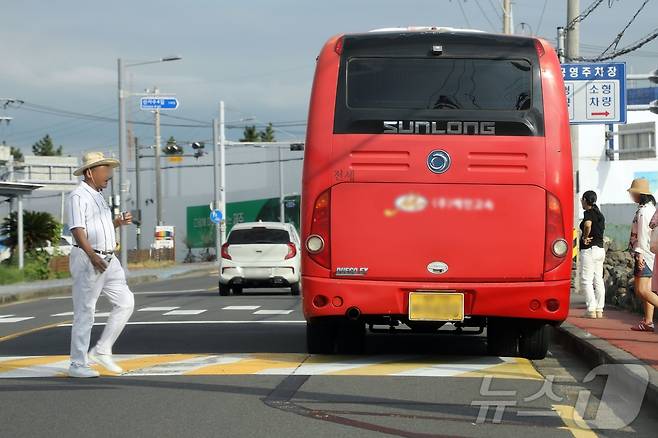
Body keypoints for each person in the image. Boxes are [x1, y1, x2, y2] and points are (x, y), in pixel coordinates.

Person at [67, 152, 134, 378]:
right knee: (85, 311)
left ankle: (102, 350)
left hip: (108, 258)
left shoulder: (98, 196)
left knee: (126, 302)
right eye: (104, 170)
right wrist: (92, 256)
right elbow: (77, 229)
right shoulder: (78, 196)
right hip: (89, 259)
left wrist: (117, 222)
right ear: (90, 172)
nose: (109, 175)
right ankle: (77, 364)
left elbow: (100, 227)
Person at [627, 178, 658, 332]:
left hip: (644, 253)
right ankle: (648, 321)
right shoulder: (651, 209)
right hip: (651, 254)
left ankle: (648, 321)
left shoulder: (643, 211)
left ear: (639, 194)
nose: (631, 196)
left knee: (641, 290)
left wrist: (639, 254)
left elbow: (643, 235)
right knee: (648, 289)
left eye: (633, 193)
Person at [579, 191, 606, 318]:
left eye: (581, 200)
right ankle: (599, 309)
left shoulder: (588, 213)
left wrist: (585, 237)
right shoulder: (599, 214)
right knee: (598, 280)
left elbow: (587, 224)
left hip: (589, 250)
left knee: (586, 280)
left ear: (585, 200)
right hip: (600, 249)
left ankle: (591, 309)